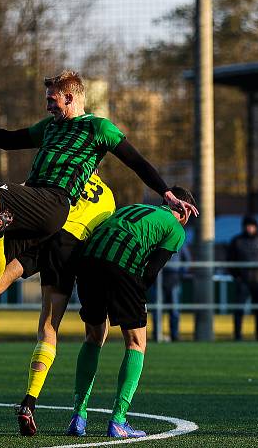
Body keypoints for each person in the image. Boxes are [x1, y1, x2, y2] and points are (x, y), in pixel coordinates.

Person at [0, 70, 195, 393]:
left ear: (70, 97)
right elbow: (8, 139)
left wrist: (165, 192)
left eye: (52, 100)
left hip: (52, 201)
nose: (48, 106)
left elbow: (136, 161)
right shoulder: (51, 128)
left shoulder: (98, 127)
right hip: (32, 209)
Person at [0, 173, 115, 439]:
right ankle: (30, 401)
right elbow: (101, 237)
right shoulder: (108, 198)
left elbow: (27, 196)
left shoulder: (62, 176)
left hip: (39, 235)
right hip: (68, 246)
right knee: (49, 327)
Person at [66, 187, 195, 439]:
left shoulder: (131, 207)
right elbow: (151, 271)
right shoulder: (176, 228)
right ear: (183, 210)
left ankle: (78, 417)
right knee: (136, 342)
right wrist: (136, 299)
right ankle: (118, 420)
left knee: (93, 337)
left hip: (88, 262)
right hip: (121, 266)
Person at [227, 216, 258, 341]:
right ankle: (237, 335)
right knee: (239, 310)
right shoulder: (237, 241)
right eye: (247, 225)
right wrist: (236, 276)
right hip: (243, 281)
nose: (249, 228)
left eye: (252, 226)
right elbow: (230, 260)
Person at [152, 243, 191, 342]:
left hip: (173, 277)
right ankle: (157, 335)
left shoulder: (180, 241)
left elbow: (187, 260)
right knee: (157, 310)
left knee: (174, 310)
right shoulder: (158, 240)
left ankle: (174, 335)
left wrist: (180, 276)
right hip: (158, 277)